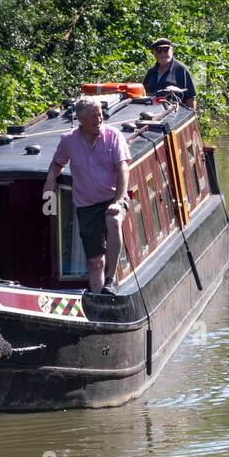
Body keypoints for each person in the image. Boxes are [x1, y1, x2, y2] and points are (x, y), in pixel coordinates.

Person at [42, 97, 132, 294]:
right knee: (94, 263)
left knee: (114, 220)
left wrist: (118, 200)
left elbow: (123, 169)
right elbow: (58, 163)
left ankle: (110, 280)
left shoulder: (113, 135)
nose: (99, 119)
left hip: (114, 197)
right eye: (93, 117)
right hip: (87, 205)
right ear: (81, 120)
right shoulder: (69, 141)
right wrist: (50, 181)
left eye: (100, 115)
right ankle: (100, 302)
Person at [142, 38, 197, 108]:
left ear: (172, 51)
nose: (163, 53)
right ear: (154, 54)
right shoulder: (151, 72)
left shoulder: (181, 70)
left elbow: (190, 98)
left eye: (166, 50)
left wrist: (193, 116)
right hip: (153, 114)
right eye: (159, 51)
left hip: (176, 115)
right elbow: (143, 94)